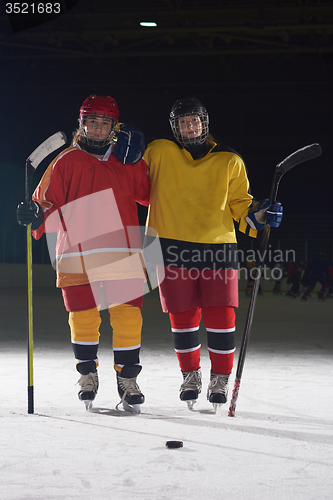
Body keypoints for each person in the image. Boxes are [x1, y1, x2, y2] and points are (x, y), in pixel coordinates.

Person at [144, 97, 283, 410]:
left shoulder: (229, 160)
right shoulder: (159, 151)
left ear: (204, 123)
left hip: (217, 247)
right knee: (182, 317)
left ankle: (220, 378)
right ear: (174, 127)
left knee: (221, 316)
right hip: (169, 245)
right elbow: (134, 183)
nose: (189, 126)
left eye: (194, 120)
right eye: (183, 122)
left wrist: (261, 213)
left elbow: (241, 206)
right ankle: (190, 375)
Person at [17, 94, 149, 412]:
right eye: (92, 122)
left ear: (115, 128)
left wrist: (143, 158)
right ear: (82, 125)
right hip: (76, 253)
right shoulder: (65, 161)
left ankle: (127, 378)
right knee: (84, 318)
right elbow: (46, 202)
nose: (98, 129)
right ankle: (88, 374)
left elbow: (148, 195)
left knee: (128, 317)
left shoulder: (128, 161)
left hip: (122, 251)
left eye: (105, 123)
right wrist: (34, 212)